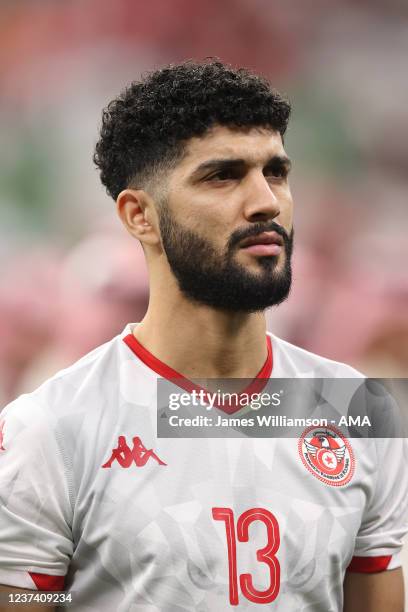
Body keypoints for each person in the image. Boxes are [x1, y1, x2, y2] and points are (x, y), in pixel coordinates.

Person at [0, 60, 406, 612]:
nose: (266, 201)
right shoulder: (52, 428)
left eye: (277, 172)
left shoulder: (357, 406)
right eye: (223, 175)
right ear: (140, 216)